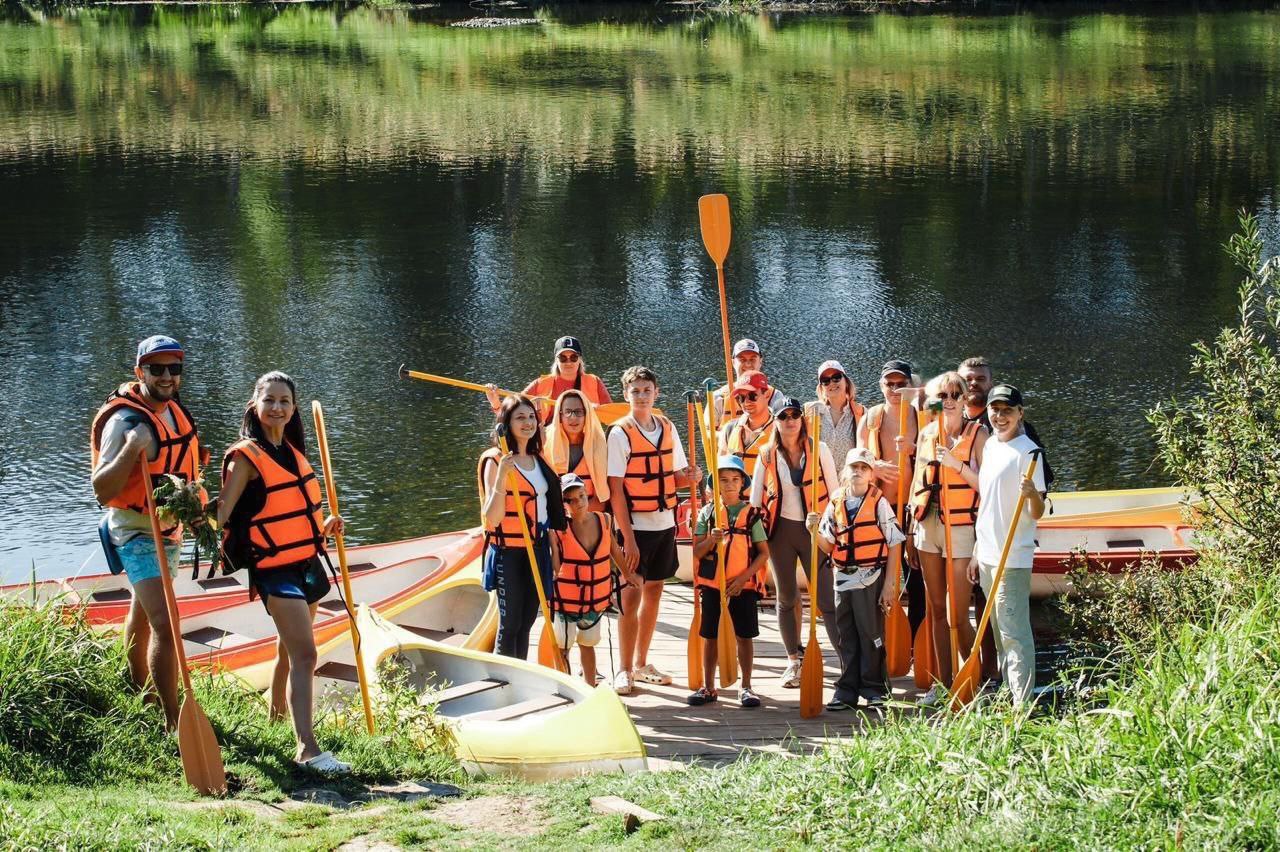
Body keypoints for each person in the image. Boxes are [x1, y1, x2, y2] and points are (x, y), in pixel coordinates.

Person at [216, 371, 348, 773]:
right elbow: (221, 514)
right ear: (255, 404)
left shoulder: (293, 452)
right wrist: (185, 506)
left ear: (293, 409)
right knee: (305, 654)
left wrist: (325, 526)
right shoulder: (246, 457)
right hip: (274, 569)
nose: (277, 408)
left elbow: (299, 511)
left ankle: (275, 719)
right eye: (269, 400)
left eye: (284, 401)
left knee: (285, 650)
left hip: (307, 564)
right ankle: (307, 749)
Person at [91, 335, 208, 732]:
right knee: (166, 621)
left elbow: (186, 470)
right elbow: (102, 490)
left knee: (142, 614)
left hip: (169, 530)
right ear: (139, 371)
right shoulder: (123, 421)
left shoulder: (176, 412)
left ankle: (139, 690)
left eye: (173, 368)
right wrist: (129, 450)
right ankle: (173, 723)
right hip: (134, 531)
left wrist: (195, 507)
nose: (166, 376)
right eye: (156, 368)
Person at [607, 366, 701, 695]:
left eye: (647, 390)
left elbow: (674, 477)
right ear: (626, 395)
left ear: (656, 393)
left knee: (655, 593)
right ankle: (623, 669)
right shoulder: (619, 434)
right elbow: (616, 490)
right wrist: (627, 540)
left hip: (665, 525)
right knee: (629, 599)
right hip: (635, 527)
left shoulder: (667, 427)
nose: (642, 396)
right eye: (636, 391)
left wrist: (691, 476)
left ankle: (642, 663)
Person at [908, 371, 989, 707]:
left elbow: (987, 487)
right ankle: (941, 685)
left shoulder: (978, 434)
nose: (950, 401)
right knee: (936, 610)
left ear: (964, 398)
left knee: (958, 614)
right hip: (929, 527)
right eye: (944, 396)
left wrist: (955, 463)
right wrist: (913, 531)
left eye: (956, 395)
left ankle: (975, 683)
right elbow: (916, 485)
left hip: (961, 529)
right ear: (935, 403)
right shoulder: (927, 434)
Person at [965, 386, 1047, 706]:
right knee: (999, 632)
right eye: (995, 409)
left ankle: (1021, 706)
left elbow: (1037, 513)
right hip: (987, 555)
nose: (1000, 416)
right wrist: (975, 552)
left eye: (1007, 410)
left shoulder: (1029, 452)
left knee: (1015, 633)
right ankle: (1010, 695)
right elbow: (987, 504)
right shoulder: (990, 447)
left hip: (1012, 557)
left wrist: (1031, 494)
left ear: (1020, 413)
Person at [750, 397, 840, 687]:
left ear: (802, 419)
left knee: (827, 600)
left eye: (794, 415)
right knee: (787, 598)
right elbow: (754, 502)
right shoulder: (766, 455)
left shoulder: (819, 450)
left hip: (816, 532)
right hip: (781, 533)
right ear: (775, 421)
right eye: (783, 416)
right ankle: (793, 661)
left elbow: (836, 495)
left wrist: (832, 530)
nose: (789, 420)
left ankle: (846, 661)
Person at [812, 448, 906, 710]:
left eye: (864, 468)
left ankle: (875, 689)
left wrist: (890, 585)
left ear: (871, 473)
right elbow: (827, 546)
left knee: (870, 633)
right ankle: (847, 690)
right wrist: (812, 530)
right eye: (854, 467)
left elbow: (896, 542)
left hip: (871, 577)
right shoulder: (836, 502)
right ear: (845, 471)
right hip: (842, 578)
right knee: (846, 635)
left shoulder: (879, 502)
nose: (858, 472)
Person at [477, 395, 567, 660]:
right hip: (509, 552)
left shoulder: (538, 460)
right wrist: (503, 477)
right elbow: (492, 517)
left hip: (537, 549)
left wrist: (554, 552)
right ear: (506, 423)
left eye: (531, 417)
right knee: (511, 623)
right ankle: (502, 679)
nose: (528, 423)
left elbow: (544, 513)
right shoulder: (495, 460)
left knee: (527, 621)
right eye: (520, 418)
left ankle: (521, 673)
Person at [688, 456, 769, 708]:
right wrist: (711, 540)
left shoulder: (752, 515)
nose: (730, 484)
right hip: (714, 587)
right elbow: (697, 552)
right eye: (724, 480)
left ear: (742, 483)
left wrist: (743, 578)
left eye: (735, 480)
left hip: (742, 587)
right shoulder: (707, 513)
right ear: (716, 485)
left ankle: (746, 686)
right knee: (710, 636)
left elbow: (763, 553)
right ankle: (709, 686)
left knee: (745, 636)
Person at [552, 474, 638, 684]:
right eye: (570, 500)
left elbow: (614, 550)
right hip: (566, 601)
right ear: (563, 504)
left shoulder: (604, 520)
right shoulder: (558, 530)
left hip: (594, 600)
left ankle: (589, 686)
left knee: (588, 644)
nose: (578, 502)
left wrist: (627, 573)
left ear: (587, 495)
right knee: (563, 647)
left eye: (581, 496)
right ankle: (565, 688)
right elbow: (554, 564)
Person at [486, 336, 612, 423]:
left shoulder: (594, 381)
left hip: (586, 441)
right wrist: (495, 403)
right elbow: (510, 416)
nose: (568, 362)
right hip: (550, 442)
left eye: (573, 357)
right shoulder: (540, 384)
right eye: (563, 358)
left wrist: (596, 409)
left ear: (580, 360)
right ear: (556, 361)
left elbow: (613, 417)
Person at [856, 360, 918, 502]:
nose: (895, 389)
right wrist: (873, 466)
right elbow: (858, 457)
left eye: (901, 384)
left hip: (916, 507)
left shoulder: (924, 419)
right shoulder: (869, 419)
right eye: (889, 384)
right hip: (881, 507)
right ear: (881, 386)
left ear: (911, 386)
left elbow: (938, 457)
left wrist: (915, 449)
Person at [543, 389, 610, 511]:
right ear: (560, 415)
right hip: (556, 516)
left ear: (586, 415)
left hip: (590, 516)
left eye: (579, 412)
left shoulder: (599, 445)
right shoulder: (544, 442)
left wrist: (580, 518)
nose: (573, 417)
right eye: (568, 412)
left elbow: (600, 498)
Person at [711, 338, 789, 425]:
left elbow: (784, 430)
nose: (748, 364)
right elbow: (708, 434)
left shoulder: (774, 396)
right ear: (733, 363)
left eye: (752, 359)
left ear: (760, 361)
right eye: (742, 359)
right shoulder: (718, 397)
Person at [805, 360, 863, 470]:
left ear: (846, 381)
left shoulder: (862, 413)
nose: (832, 383)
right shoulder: (810, 412)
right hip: (820, 483)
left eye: (836, 377)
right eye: (825, 381)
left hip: (849, 482)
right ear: (821, 388)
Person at [718, 370, 777, 478]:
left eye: (752, 396)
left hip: (765, 495)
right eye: (741, 398)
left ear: (767, 394)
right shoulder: (729, 429)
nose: (746, 402)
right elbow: (719, 472)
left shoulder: (781, 432)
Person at [958, 356, 994, 430]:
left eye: (981, 379)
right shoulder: (948, 420)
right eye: (967, 379)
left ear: (991, 384)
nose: (974, 383)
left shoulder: (1002, 422)